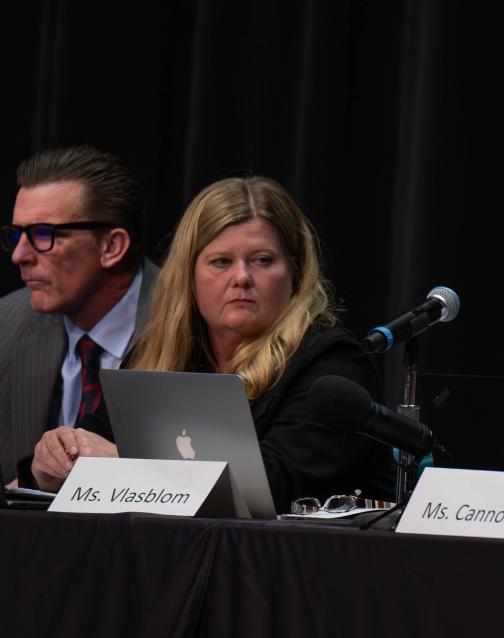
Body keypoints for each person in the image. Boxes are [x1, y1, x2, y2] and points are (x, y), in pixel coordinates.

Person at [30, 175, 395, 511]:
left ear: (295, 272)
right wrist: (55, 462)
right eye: (221, 262)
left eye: (262, 260)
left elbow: (272, 488)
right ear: (189, 275)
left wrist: (123, 463)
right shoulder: (158, 355)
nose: (241, 278)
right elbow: (93, 444)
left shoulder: (333, 364)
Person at [0, 145, 158, 487]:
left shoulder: (193, 324)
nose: (19, 255)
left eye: (43, 234)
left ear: (112, 246)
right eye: (16, 235)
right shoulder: (6, 325)